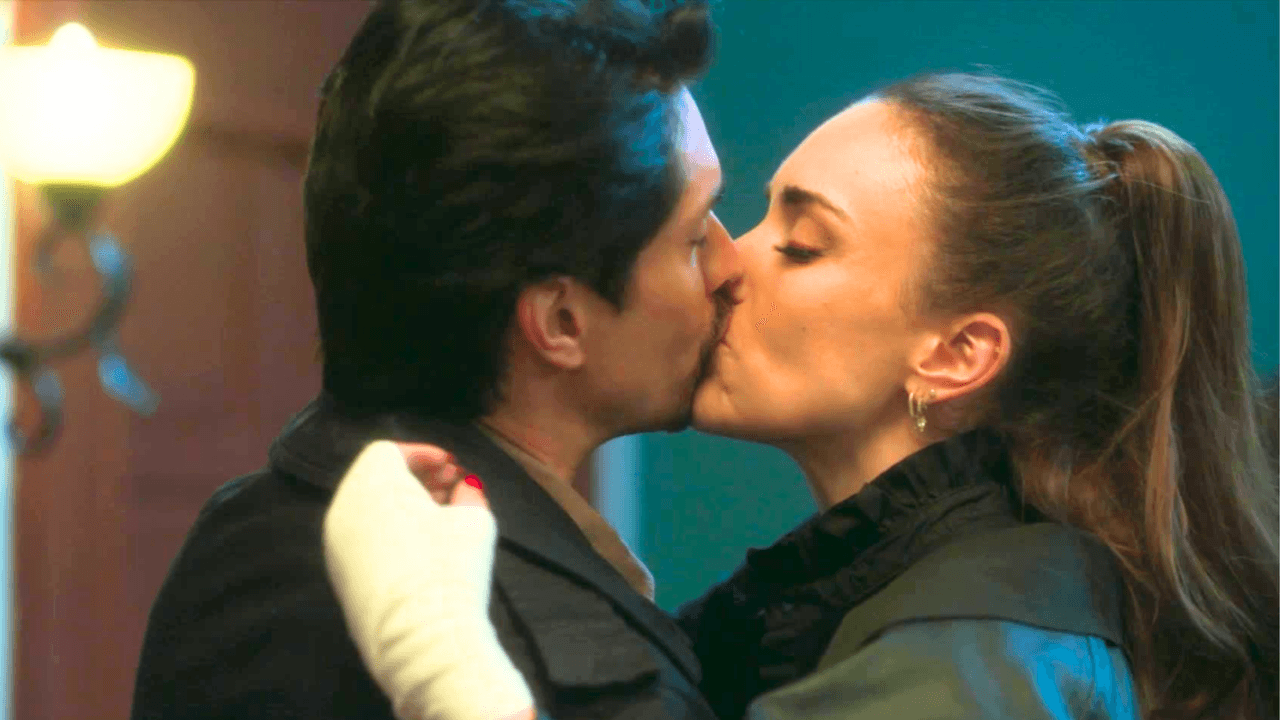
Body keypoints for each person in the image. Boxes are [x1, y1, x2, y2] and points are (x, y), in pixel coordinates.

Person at [323, 72, 1280, 720]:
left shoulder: (971, 656)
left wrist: (439, 652)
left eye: (803, 244)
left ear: (957, 354)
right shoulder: (888, 598)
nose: (729, 264)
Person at [128, 0, 743, 718]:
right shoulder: (537, 660)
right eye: (695, 237)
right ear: (560, 322)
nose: (731, 265)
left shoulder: (254, 536)